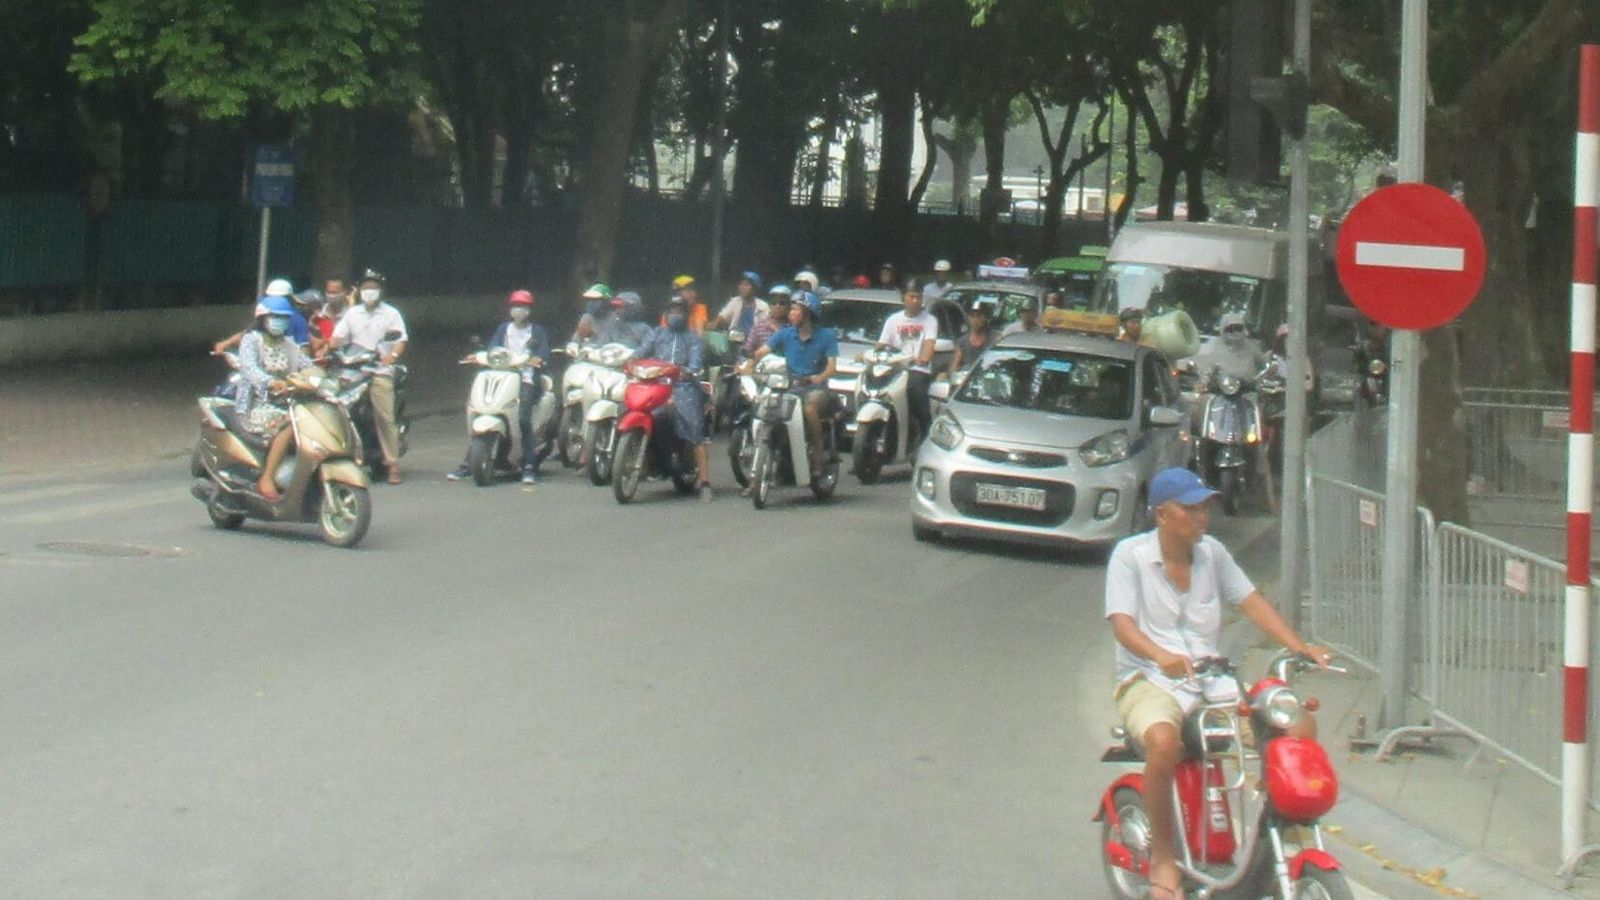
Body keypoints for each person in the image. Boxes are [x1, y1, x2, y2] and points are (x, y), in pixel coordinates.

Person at [1105, 466, 1332, 900]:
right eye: (1189, 509)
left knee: (1297, 728)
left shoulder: (1213, 554)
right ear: (1161, 514)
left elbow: (1251, 602)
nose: (1201, 517)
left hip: (1212, 683)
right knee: (1163, 742)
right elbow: (1122, 625)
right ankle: (1164, 857)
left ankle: (1274, 836)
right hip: (1148, 679)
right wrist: (1160, 655)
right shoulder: (1129, 557)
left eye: (1204, 508)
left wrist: (1301, 647)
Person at [448, 290, 551, 485]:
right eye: (515, 306)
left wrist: (538, 358)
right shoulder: (504, 329)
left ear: (529, 310)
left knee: (523, 419)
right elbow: (493, 348)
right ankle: (469, 464)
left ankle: (529, 466)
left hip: (526, 378)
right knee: (481, 409)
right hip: (502, 376)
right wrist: (479, 356)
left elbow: (543, 351)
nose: (518, 310)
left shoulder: (537, 331)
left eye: (523, 306)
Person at [748, 290, 839, 483]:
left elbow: (832, 367)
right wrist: (750, 365)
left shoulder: (827, 336)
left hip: (815, 388)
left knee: (810, 409)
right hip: (790, 386)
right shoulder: (785, 334)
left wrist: (819, 377)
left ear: (807, 313)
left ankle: (817, 455)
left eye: (795, 309)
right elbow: (762, 351)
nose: (790, 313)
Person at [332, 269, 409, 484]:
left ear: (381, 290)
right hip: (353, 371)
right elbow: (338, 337)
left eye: (373, 288)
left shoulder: (391, 314)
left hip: (379, 370)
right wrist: (331, 348)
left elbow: (401, 340)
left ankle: (392, 464)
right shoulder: (352, 314)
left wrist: (392, 357)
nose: (369, 291)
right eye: (365, 287)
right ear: (359, 290)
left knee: (384, 416)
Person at [235, 295, 315, 500]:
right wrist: (271, 382)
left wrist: (322, 377)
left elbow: (307, 365)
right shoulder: (251, 340)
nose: (280, 321)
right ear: (263, 318)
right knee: (290, 425)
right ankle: (267, 479)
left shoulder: (288, 343)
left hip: (289, 403)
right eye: (275, 317)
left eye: (284, 317)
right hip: (257, 405)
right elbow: (249, 368)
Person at [635, 295, 714, 501]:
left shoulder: (694, 338)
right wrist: (629, 361)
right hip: (656, 384)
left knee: (695, 429)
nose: (675, 314)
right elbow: (640, 352)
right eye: (671, 310)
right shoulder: (657, 333)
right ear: (666, 313)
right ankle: (645, 463)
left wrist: (689, 371)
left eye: (679, 311)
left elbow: (696, 363)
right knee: (635, 410)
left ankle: (705, 483)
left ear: (686, 314)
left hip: (683, 386)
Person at [876, 280, 940, 451]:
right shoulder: (893, 320)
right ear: (903, 297)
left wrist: (921, 358)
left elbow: (928, 349)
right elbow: (881, 345)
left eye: (918, 297)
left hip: (917, 370)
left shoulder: (930, 321)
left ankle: (924, 433)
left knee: (917, 393)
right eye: (912, 296)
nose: (915, 301)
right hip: (893, 369)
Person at [213, 277, 310, 355]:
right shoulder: (262, 317)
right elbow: (248, 334)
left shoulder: (298, 321)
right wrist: (226, 343)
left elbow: (303, 351)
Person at [1193, 311, 1266, 382]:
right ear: (1222, 330)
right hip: (1220, 388)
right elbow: (1203, 372)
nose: (1235, 332)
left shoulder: (1251, 347)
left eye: (1238, 328)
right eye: (1230, 329)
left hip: (1249, 387)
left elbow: (1264, 363)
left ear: (1244, 329)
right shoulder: (1212, 348)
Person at [712, 271, 768, 342]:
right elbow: (723, 315)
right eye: (741, 284)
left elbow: (763, 328)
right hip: (735, 337)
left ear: (754, 288)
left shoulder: (763, 306)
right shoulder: (735, 301)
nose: (742, 287)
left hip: (754, 340)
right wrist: (714, 324)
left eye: (746, 285)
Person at [742, 284, 792, 358]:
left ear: (788, 306)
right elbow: (747, 350)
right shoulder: (759, 326)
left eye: (782, 303)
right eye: (774, 302)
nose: (777, 306)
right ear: (770, 305)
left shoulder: (792, 328)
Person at [951, 302, 995, 377]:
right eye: (972, 316)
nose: (976, 320)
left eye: (979, 315)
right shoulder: (962, 342)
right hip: (967, 378)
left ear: (985, 317)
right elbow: (954, 367)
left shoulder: (994, 339)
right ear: (968, 318)